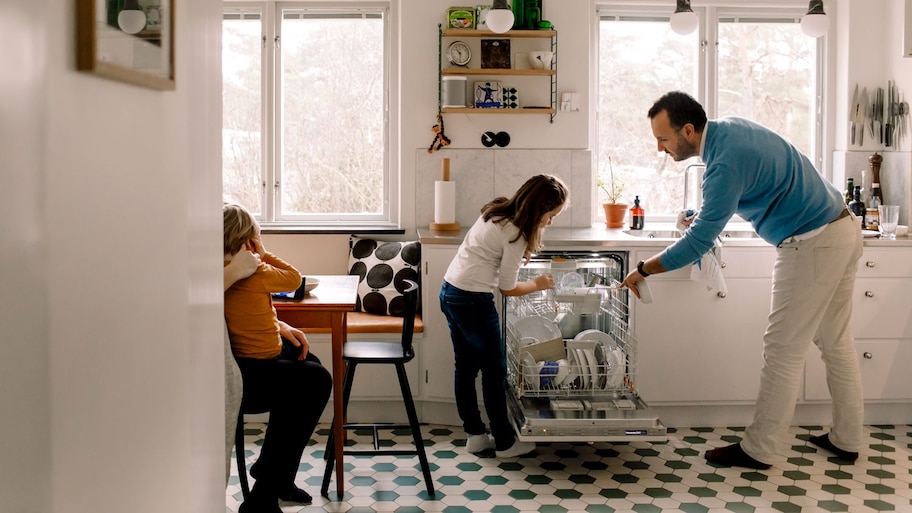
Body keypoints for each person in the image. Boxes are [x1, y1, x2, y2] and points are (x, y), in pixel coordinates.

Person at [621, 91, 864, 470]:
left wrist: (645, 268)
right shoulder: (731, 129)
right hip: (842, 229)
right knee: (836, 341)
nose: (659, 148)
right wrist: (700, 215)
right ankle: (848, 438)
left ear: (687, 131)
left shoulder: (724, 164)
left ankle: (759, 449)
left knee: (783, 350)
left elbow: (700, 241)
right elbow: (738, 194)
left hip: (812, 241)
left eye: (663, 138)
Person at [439, 174, 569, 458]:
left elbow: (491, 249)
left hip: (451, 291)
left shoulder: (497, 210)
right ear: (537, 210)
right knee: (495, 371)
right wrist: (539, 284)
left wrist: (517, 254)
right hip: (473, 299)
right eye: (550, 215)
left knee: (466, 368)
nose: (550, 222)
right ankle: (505, 442)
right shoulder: (516, 234)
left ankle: (475, 436)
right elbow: (508, 288)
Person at [223, 202, 332, 513]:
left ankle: (277, 478)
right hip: (251, 371)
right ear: (248, 241)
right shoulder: (251, 269)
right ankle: (263, 496)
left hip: (249, 360)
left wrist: (279, 325)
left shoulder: (222, 269)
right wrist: (263, 253)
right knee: (317, 380)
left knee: (310, 365)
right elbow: (294, 278)